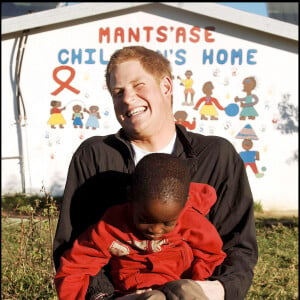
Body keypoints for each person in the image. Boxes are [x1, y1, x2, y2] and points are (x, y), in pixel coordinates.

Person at [53, 46, 258, 300]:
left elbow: (239, 245)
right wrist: (106, 296)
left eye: (138, 85)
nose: (127, 99)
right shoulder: (95, 156)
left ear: (166, 86)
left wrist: (209, 289)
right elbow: (74, 247)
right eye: (118, 92)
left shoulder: (216, 156)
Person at [54, 153, 226, 300]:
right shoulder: (111, 226)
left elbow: (210, 253)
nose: (156, 231)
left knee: (187, 291)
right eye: (145, 220)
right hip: (131, 293)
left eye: (168, 223)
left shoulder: (191, 220)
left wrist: (198, 279)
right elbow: (76, 265)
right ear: (130, 198)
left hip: (178, 284)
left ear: (184, 205)